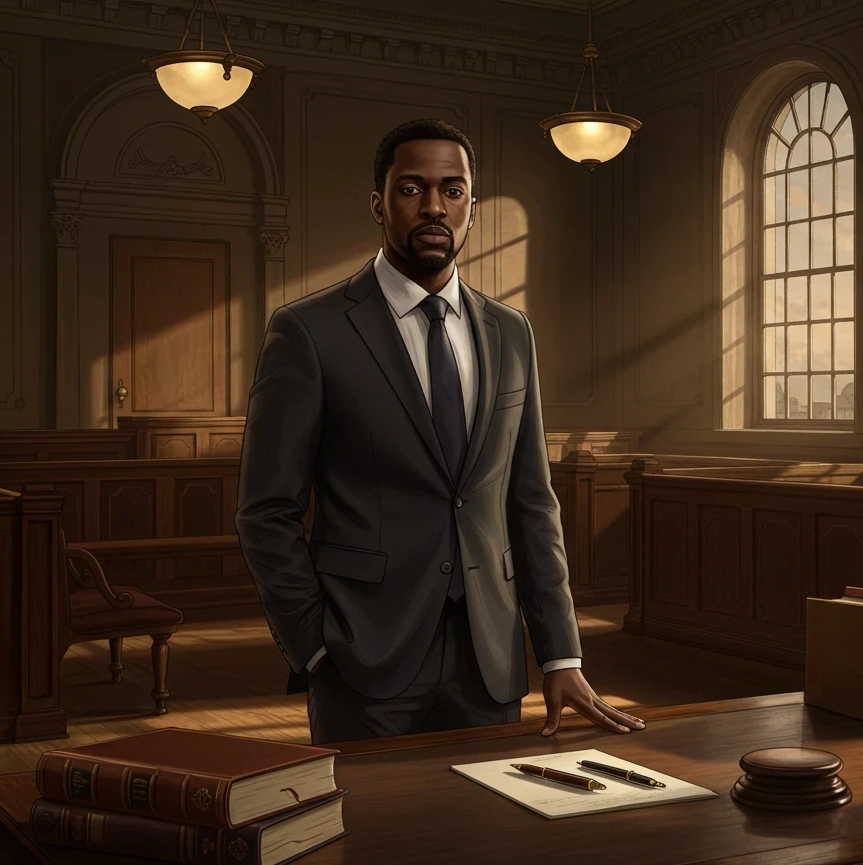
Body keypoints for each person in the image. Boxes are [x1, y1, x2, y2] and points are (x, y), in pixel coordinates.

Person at [235, 119, 644, 744]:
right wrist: (314, 648)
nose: (434, 207)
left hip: (490, 661)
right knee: (369, 839)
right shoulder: (308, 332)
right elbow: (267, 510)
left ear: (472, 209)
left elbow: (531, 501)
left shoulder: (511, 333)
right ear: (379, 203)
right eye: (412, 189)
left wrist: (561, 655)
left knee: (488, 838)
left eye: (453, 191)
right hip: (361, 658)